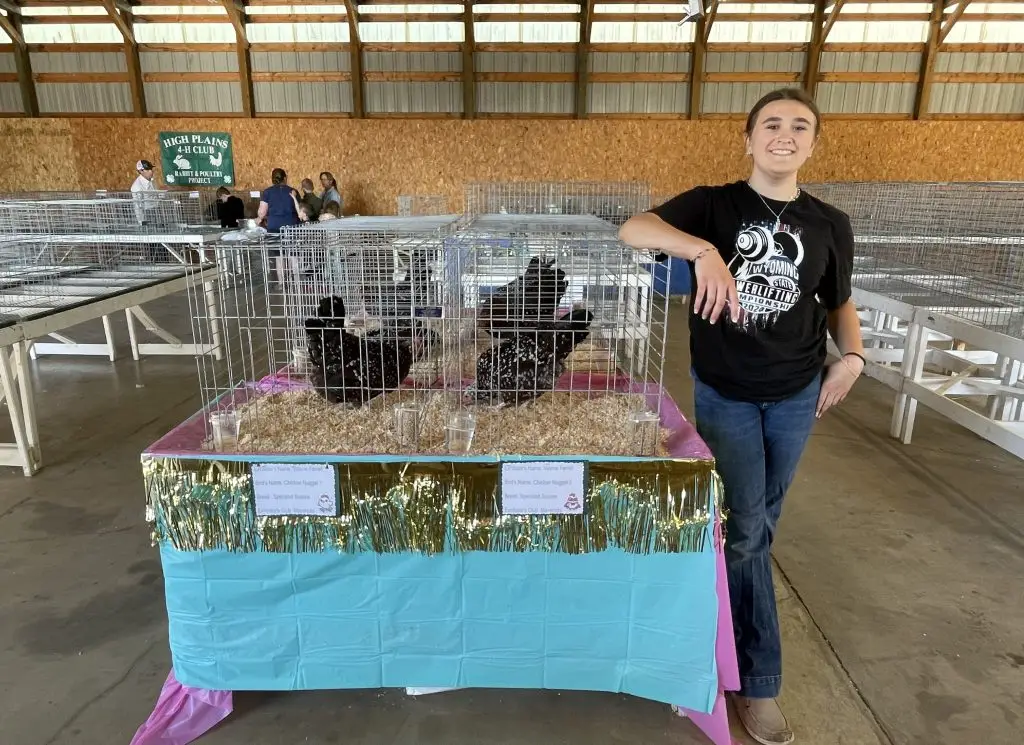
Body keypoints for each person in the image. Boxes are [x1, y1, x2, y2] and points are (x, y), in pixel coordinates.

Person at [618, 88, 865, 745]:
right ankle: (757, 683)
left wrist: (854, 359)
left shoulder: (829, 222)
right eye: (772, 124)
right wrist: (701, 251)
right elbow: (632, 228)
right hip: (726, 391)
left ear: (814, 141)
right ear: (749, 137)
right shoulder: (714, 204)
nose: (785, 135)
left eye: (800, 126)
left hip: (797, 394)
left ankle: (711, 648)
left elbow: (838, 301)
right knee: (748, 532)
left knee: (752, 530)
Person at [257, 168, 300, 234]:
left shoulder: (267, 192)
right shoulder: (293, 191)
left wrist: (260, 218)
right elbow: (300, 209)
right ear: (285, 178)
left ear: (272, 179)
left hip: (274, 227)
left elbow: (262, 213)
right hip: (291, 228)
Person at [130, 159, 161, 226]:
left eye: (151, 169)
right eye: (148, 170)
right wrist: (141, 222)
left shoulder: (152, 180)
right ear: (141, 171)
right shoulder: (136, 187)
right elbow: (137, 206)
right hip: (147, 212)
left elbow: (156, 193)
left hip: (157, 209)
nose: (151, 171)